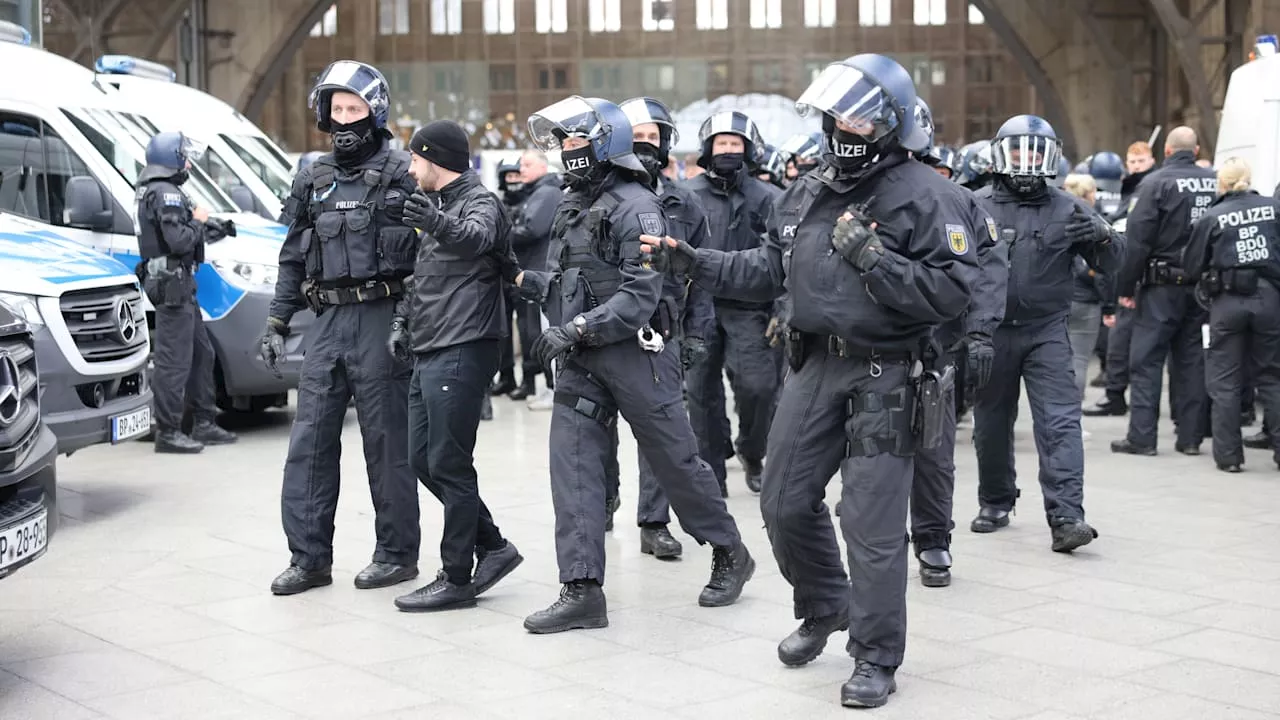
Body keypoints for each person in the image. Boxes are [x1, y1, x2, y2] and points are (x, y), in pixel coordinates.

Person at [643, 54, 979, 708]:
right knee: (782, 501)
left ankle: (876, 655)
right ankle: (826, 602)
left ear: (888, 122)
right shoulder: (807, 190)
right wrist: (691, 261)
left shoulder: (932, 194)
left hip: (887, 374)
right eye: (836, 115)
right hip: (811, 367)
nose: (842, 127)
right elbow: (766, 268)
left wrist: (875, 258)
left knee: (872, 524)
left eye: (857, 116)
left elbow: (953, 294)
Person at [516, 96, 755, 635]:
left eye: (576, 140)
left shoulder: (639, 207)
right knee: (573, 466)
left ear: (604, 142)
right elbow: (564, 280)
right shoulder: (571, 205)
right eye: (562, 142)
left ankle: (728, 551)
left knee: (677, 464)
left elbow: (638, 296)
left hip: (638, 355)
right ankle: (581, 589)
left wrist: (573, 328)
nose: (566, 151)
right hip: (582, 361)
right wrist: (524, 283)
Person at [262, 61, 421, 596]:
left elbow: (428, 258)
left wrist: (407, 320)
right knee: (308, 442)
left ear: (375, 112)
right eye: (337, 109)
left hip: (383, 320)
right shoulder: (312, 177)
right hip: (326, 325)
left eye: (354, 108)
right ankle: (308, 559)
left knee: (386, 443)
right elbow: (292, 259)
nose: (345, 118)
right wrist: (277, 321)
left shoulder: (402, 172)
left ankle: (396, 553)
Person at [969, 115, 1121, 552]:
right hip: (991, 331)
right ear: (1001, 153)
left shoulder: (1067, 206)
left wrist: (1105, 237)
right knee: (991, 422)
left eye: (1036, 151)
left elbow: (1117, 264)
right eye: (1018, 150)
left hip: (1046, 330)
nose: (1026, 159)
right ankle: (996, 500)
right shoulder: (975, 204)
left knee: (1060, 422)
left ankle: (1067, 515)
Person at [389, 120, 524, 612]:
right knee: (422, 457)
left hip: (465, 344)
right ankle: (494, 546)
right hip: (430, 344)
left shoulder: (479, 202)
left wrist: (433, 221)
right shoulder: (438, 207)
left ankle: (457, 576)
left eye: (415, 159)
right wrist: (403, 324)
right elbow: (422, 278)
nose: (410, 168)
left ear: (436, 160)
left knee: (450, 460)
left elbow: (473, 239)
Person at [597, 95, 718, 558]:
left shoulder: (685, 204)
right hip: (602, 330)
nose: (645, 146)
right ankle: (604, 500)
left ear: (666, 144)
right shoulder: (597, 197)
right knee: (597, 425)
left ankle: (654, 521)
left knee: (658, 435)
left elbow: (702, 274)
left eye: (653, 137)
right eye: (636, 137)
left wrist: (698, 334)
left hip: (660, 335)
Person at [910, 99, 1007, 588]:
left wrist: (979, 334)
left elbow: (988, 269)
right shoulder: (845, 192)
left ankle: (932, 540)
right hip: (859, 349)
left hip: (933, 347)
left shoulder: (960, 203)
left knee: (933, 449)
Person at [684, 110, 784, 495]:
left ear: (749, 149)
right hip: (699, 306)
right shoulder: (685, 194)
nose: (728, 150)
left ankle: (752, 450)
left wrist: (782, 306)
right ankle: (712, 472)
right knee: (701, 392)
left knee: (758, 386)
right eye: (722, 143)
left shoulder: (769, 198)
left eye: (735, 144)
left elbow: (784, 255)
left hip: (750, 305)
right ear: (708, 149)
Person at [1111, 126, 1217, 456]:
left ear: (1167, 152)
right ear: (1196, 150)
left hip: (1160, 288)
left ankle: (1142, 438)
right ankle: (1190, 438)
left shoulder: (1155, 183)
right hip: (1201, 288)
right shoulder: (1214, 181)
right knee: (1190, 362)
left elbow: (1138, 240)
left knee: (1146, 360)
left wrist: (1125, 286)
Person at [135, 131, 238, 454]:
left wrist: (212, 226)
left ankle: (204, 423)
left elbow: (181, 231)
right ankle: (168, 431)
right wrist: (199, 222)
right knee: (174, 361)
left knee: (201, 354)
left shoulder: (161, 191)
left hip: (179, 283)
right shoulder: (165, 193)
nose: (189, 163)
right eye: (185, 156)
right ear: (172, 158)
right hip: (172, 284)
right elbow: (179, 240)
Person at [1183, 157, 1280, 472]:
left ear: (1221, 183)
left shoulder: (1212, 216)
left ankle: (1229, 458)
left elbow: (1192, 265)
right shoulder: (1274, 208)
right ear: (1248, 179)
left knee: (1224, 380)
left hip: (1227, 302)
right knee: (1272, 377)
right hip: (1269, 299)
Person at [1086, 140, 1160, 413]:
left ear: (1152, 161)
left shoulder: (1149, 188)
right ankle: (1114, 393)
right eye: (1133, 162)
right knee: (1121, 340)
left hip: (1139, 275)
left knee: (1126, 342)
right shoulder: (1130, 188)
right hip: (1130, 272)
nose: (1137, 167)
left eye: (1142, 162)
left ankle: (1116, 395)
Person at [506, 150, 564, 407]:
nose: (522, 170)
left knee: (541, 332)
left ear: (543, 167)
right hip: (536, 271)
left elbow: (532, 228)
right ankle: (550, 387)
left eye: (527, 164)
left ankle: (553, 388)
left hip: (541, 273)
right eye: (520, 165)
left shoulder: (547, 192)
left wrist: (502, 234)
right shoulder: (538, 192)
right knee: (534, 332)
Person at [1062, 173, 1113, 401]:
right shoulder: (1094, 222)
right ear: (1090, 194)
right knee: (1079, 359)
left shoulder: (1056, 218)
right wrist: (1109, 305)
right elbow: (1102, 270)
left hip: (1060, 300)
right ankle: (1072, 414)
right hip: (1086, 301)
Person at [490, 157, 526, 398]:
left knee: (527, 329)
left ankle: (529, 380)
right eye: (509, 176)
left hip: (525, 274)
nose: (513, 181)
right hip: (502, 275)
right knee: (502, 330)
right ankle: (506, 376)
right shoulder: (497, 203)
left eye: (517, 176)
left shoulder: (531, 202)